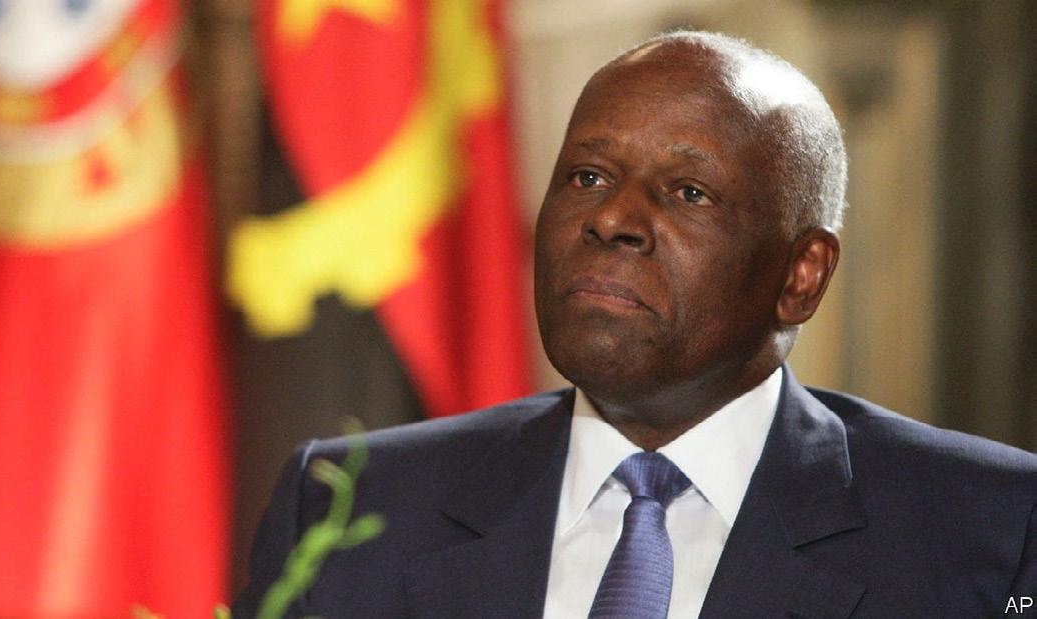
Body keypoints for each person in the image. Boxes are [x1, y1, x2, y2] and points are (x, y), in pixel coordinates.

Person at [233, 31, 1037, 618]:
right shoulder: (349, 509)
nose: (612, 217)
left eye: (688, 192)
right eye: (587, 176)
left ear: (801, 276)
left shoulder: (993, 532)